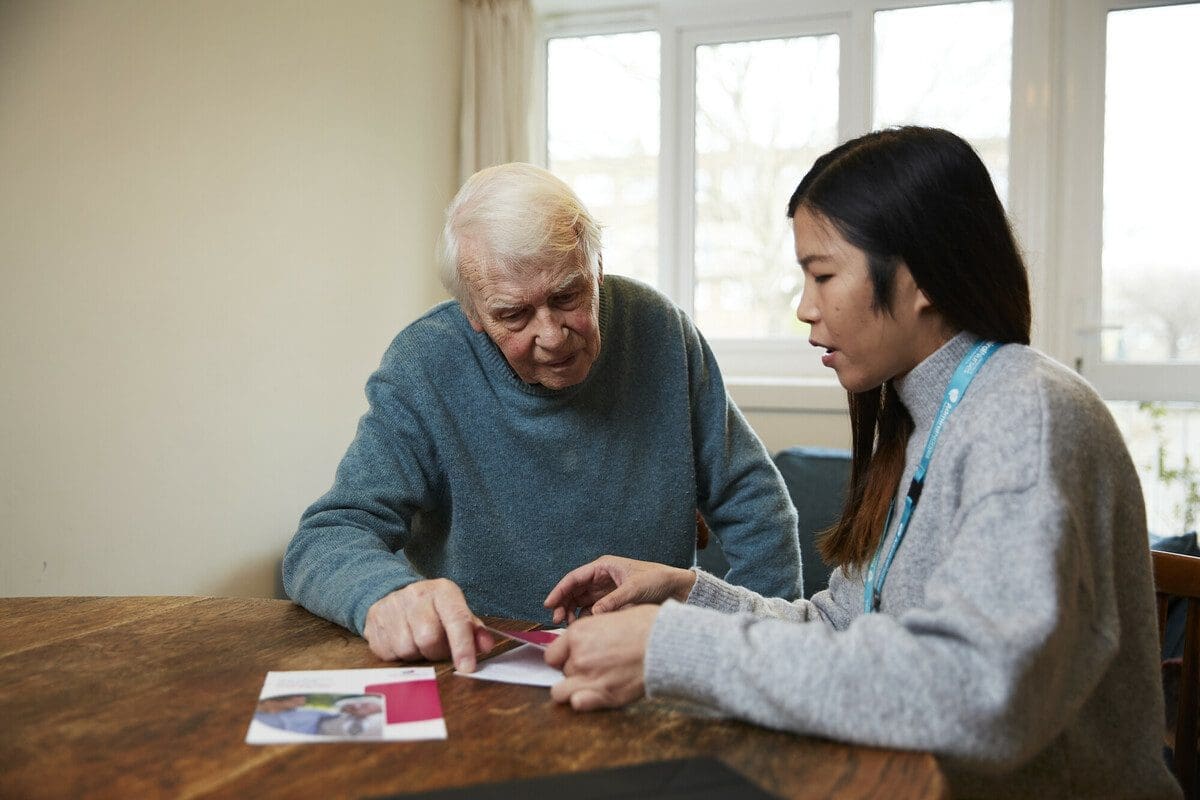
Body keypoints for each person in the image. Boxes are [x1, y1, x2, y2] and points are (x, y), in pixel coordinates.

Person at [542, 127, 1181, 798]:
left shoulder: (1027, 416)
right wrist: (687, 595)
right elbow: (841, 629)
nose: (805, 308)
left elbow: (977, 691)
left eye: (822, 274)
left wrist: (672, 648)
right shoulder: (919, 420)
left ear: (923, 278)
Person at [283, 163, 802, 674]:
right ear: (473, 314)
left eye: (567, 296)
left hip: (643, 668)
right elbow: (327, 537)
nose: (552, 336)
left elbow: (752, 500)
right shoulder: (423, 365)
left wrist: (759, 655)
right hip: (482, 674)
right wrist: (385, 595)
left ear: (597, 269)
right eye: (513, 315)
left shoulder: (660, 331)